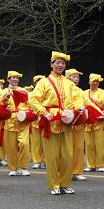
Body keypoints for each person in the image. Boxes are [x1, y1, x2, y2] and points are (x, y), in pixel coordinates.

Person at [29, 52, 84, 195]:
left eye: (62, 63)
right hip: (50, 120)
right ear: (51, 64)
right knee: (52, 155)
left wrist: (79, 107)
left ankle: (65, 184)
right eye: (57, 62)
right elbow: (33, 99)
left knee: (67, 155)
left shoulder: (69, 83)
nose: (60, 65)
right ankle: (54, 185)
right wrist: (43, 112)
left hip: (66, 119)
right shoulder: (44, 82)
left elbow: (78, 97)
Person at [3, 71, 31, 177]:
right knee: (11, 146)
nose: (15, 79)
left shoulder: (23, 91)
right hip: (9, 120)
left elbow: (29, 103)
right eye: (13, 78)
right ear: (8, 79)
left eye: (17, 78)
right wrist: (4, 99)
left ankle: (23, 167)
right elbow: (1, 104)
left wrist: (27, 113)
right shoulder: (4, 91)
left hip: (23, 120)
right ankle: (13, 168)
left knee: (24, 144)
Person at [64, 68, 88, 181]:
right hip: (66, 122)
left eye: (78, 77)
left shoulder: (80, 91)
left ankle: (77, 172)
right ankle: (66, 171)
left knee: (78, 147)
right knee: (66, 148)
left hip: (79, 123)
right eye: (74, 76)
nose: (77, 79)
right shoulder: (63, 89)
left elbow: (88, 102)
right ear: (68, 78)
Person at [83, 73, 104, 173]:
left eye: (97, 81)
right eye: (94, 81)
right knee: (89, 144)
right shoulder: (84, 93)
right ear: (89, 82)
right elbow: (82, 102)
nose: (95, 83)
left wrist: (90, 102)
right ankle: (91, 165)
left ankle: (100, 164)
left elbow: (103, 102)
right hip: (88, 121)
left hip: (98, 120)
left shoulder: (102, 92)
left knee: (99, 143)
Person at [30, 75, 45, 169]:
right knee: (36, 143)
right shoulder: (31, 94)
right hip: (35, 121)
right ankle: (37, 161)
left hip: (45, 120)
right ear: (34, 83)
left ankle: (47, 160)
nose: (39, 83)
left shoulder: (46, 92)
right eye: (37, 81)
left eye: (41, 81)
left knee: (47, 142)